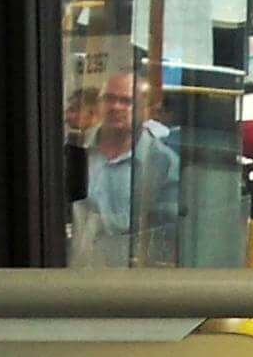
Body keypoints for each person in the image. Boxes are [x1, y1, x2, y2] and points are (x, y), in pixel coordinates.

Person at [70, 67, 180, 268]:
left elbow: (166, 239)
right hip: (68, 277)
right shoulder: (75, 150)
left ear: (147, 111)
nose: (116, 107)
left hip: (127, 281)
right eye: (109, 98)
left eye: (127, 101)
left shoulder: (164, 165)